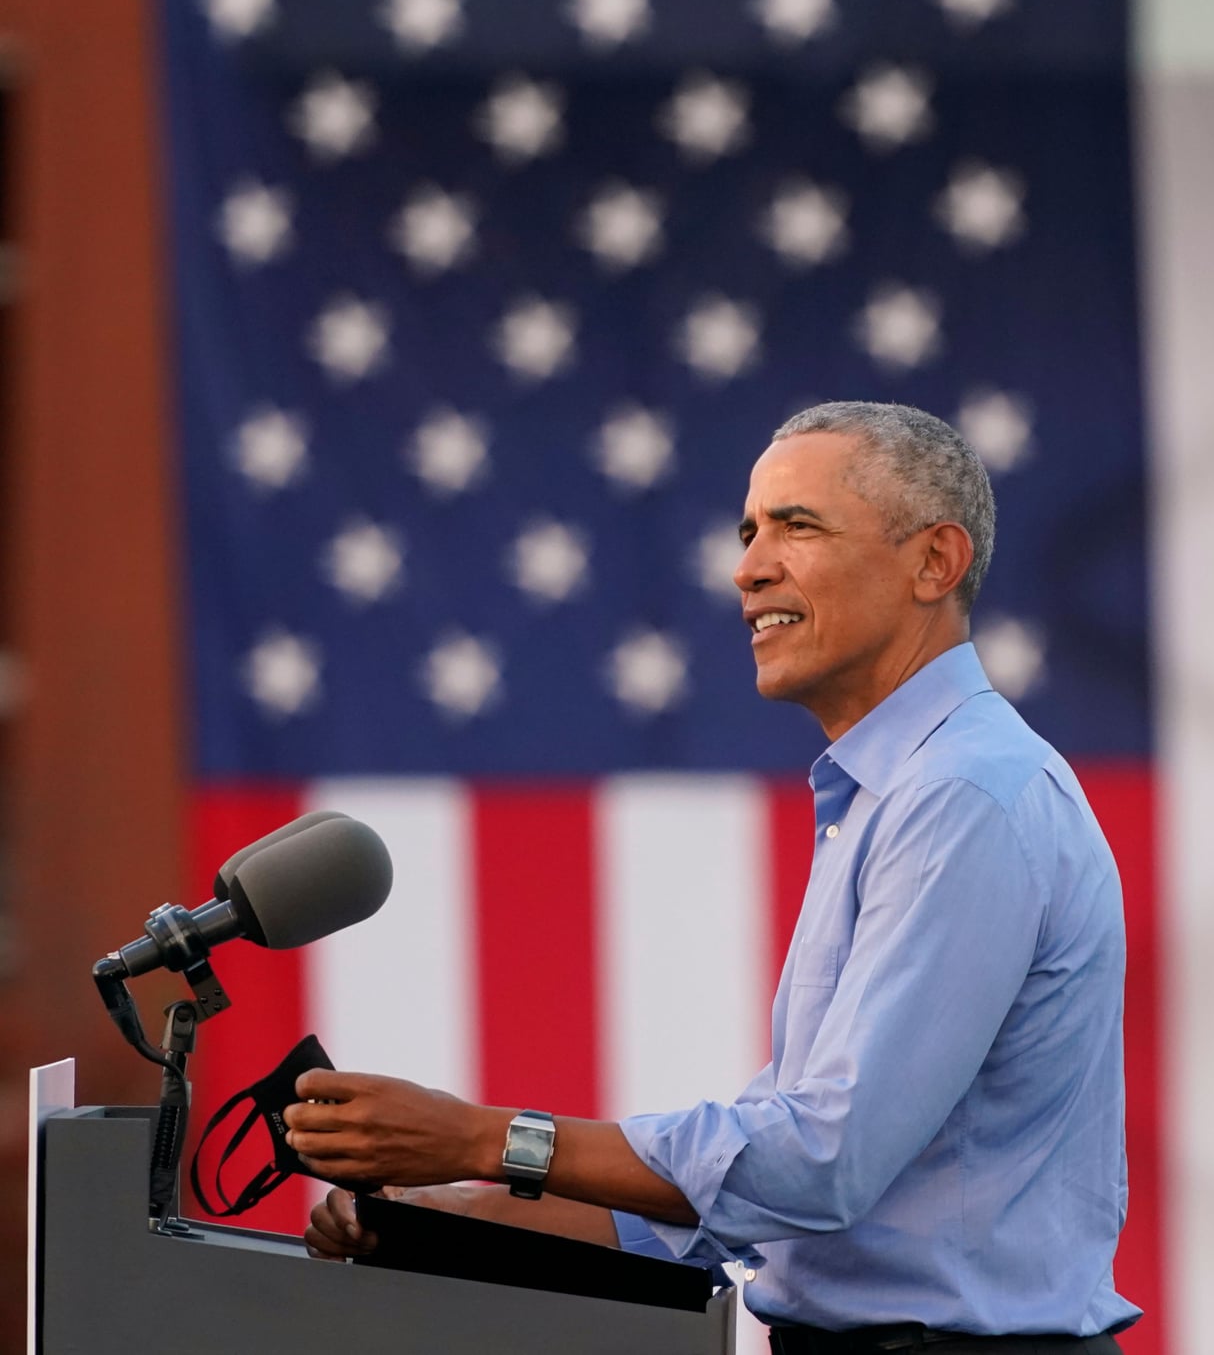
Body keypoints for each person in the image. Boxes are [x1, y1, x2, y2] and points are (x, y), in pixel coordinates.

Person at [287, 402, 1138, 1353]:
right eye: (748, 531)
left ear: (933, 563)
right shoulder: (893, 791)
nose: (748, 567)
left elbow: (823, 1162)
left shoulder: (964, 795)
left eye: (797, 525)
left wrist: (486, 1137)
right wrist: (459, 1216)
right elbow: (753, 1192)